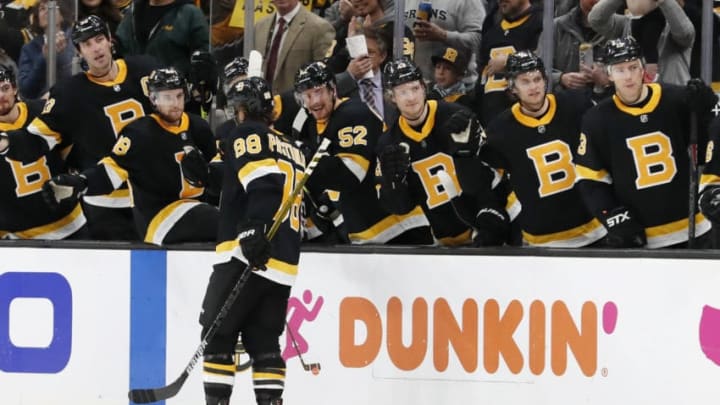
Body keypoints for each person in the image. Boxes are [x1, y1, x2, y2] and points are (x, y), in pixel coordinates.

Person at [0, 15, 159, 240]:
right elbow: (38, 139)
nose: (95, 48)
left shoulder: (145, 69)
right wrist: (6, 142)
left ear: (110, 40)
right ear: (79, 52)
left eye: (99, 39)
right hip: (106, 203)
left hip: (154, 194)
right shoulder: (69, 93)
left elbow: (174, 115)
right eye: (87, 44)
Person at [199, 76, 306, 405]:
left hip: (245, 254)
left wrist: (253, 228)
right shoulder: (291, 146)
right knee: (264, 343)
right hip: (283, 260)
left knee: (217, 336)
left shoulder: (247, 133)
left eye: (237, 108)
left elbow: (262, 184)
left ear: (244, 110)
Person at [41, 67, 217, 244]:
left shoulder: (198, 127)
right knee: (224, 223)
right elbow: (111, 171)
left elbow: (219, 171)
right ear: (153, 99)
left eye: (179, 96)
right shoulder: (139, 133)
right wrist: (81, 183)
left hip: (197, 209)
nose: (175, 103)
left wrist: (209, 174)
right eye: (167, 97)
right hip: (160, 219)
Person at [574, 36, 718, 248]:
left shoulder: (676, 99)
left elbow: (710, 143)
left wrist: (708, 108)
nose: (629, 76)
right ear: (609, 74)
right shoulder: (596, 119)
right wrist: (613, 216)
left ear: (643, 69)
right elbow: (590, 179)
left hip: (695, 228)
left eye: (633, 67)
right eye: (620, 69)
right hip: (643, 237)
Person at [295, 60, 432, 244]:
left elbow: (351, 174)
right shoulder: (315, 124)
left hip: (398, 227)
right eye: (307, 95)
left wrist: (306, 158)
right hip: (366, 231)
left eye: (318, 92)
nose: (315, 102)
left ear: (332, 89)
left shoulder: (353, 114)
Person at [377, 58, 509, 246]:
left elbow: (492, 171)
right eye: (403, 92)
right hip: (446, 241)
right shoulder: (388, 143)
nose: (411, 98)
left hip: (492, 221)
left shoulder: (456, 115)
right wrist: (393, 184)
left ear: (424, 88)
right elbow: (400, 207)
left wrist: (492, 215)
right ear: (392, 96)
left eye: (415, 88)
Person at [481, 50, 606, 247]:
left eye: (537, 79)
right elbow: (489, 184)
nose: (534, 87)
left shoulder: (576, 105)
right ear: (512, 88)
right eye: (525, 81)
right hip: (542, 241)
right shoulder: (499, 130)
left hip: (595, 230)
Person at [0, 64, 87, 239]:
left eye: (5, 88)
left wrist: (76, 177)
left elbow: (73, 154)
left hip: (71, 224)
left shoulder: (42, 112)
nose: (1, 96)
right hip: (21, 238)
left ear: (15, 89)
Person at [588, 0, 695, 86]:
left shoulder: (674, 27)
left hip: (671, 103)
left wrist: (664, 1)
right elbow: (596, 20)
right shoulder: (628, 24)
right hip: (636, 102)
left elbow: (685, 35)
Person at [475, 0, 543, 126]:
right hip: (490, 119)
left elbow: (546, 61)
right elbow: (481, 74)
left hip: (525, 119)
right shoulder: (491, 29)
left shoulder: (541, 23)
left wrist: (511, 61)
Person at [252, 0, 335, 94]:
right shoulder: (259, 26)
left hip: (298, 105)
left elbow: (325, 77)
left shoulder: (320, 28)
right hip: (262, 103)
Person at [115, 0, 208, 78]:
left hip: (173, 91)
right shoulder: (133, 12)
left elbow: (203, 58)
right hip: (135, 90)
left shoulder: (190, 14)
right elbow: (119, 47)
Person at [403, 0, 485, 85]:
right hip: (414, 85)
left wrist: (444, 35)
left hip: (457, 88)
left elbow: (479, 39)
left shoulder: (467, 2)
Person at [335, 26, 398, 123]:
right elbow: (328, 93)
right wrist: (349, 75)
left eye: (370, 52)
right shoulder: (342, 83)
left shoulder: (394, 83)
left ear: (382, 56)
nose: (363, 57)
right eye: (359, 52)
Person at [18, 0, 75, 99]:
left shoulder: (74, 38)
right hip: (43, 105)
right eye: (42, 8)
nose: (48, 11)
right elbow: (26, 89)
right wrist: (43, 58)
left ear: (62, 14)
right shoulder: (29, 48)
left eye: (52, 7)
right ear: (37, 19)